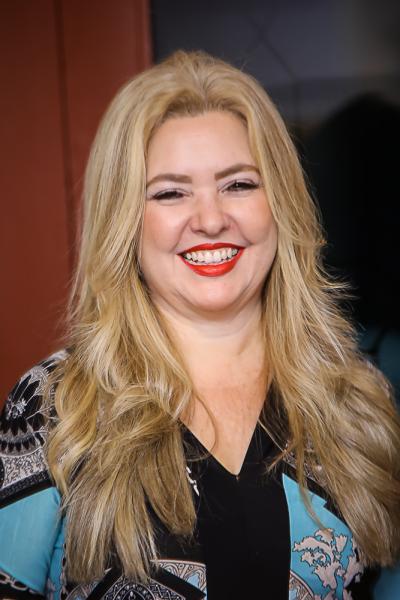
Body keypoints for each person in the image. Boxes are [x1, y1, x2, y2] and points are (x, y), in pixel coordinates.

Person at [0, 50, 399, 600]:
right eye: (171, 192)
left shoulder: (356, 400)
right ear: (125, 221)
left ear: (281, 204)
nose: (211, 220)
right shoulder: (57, 408)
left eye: (239, 185)